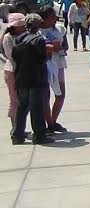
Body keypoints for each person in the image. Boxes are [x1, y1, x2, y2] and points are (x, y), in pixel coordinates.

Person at [11, 14, 54, 145]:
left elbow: (14, 56)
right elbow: (42, 58)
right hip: (36, 78)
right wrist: (49, 53)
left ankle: (17, 135)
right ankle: (39, 135)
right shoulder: (38, 40)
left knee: (21, 107)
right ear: (38, 25)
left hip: (21, 77)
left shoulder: (19, 38)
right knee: (36, 108)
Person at [39, 7, 69, 133]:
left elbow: (65, 45)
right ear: (44, 19)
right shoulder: (38, 32)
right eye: (51, 17)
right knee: (45, 95)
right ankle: (49, 123)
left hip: (58, 63)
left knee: (60, 94)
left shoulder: (60, 29)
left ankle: (53, 120)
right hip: (44, 65)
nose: (54, 19)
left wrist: (59, 47)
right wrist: (49, 48)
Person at [3, 13, 26, 133]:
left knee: (22, 100)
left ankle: (20, 126)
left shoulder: (24, 35)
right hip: (12, 70)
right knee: (14, 100)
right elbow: (11, 55)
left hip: (22, 70)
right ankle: (15, 127)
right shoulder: (8, 37)